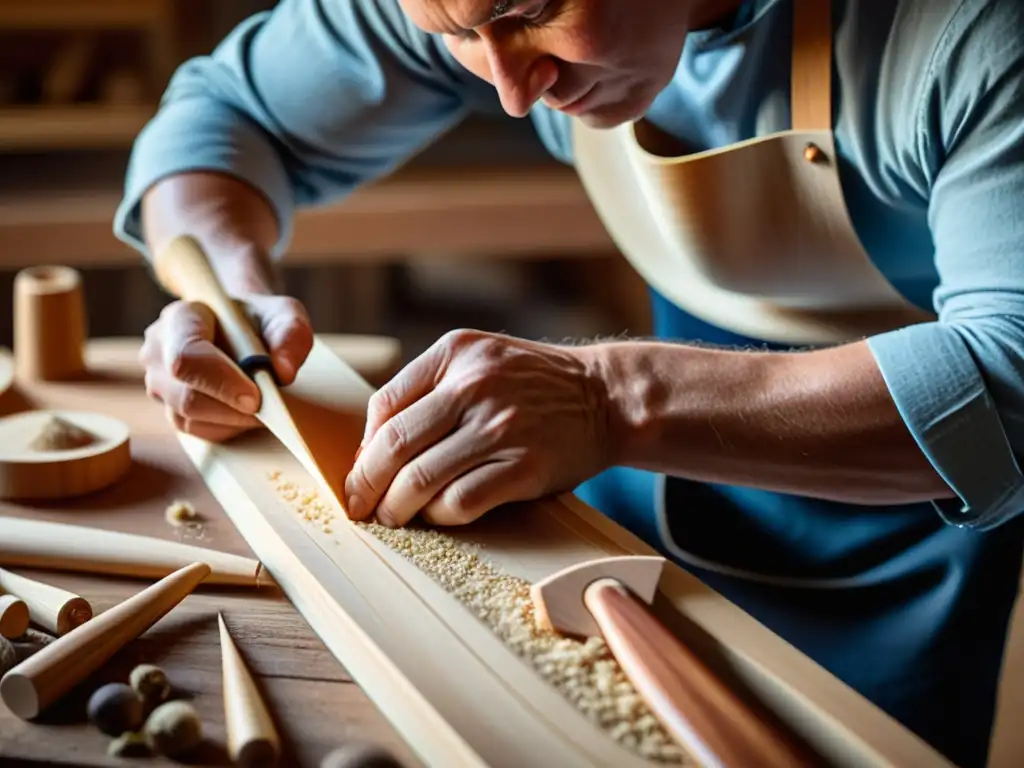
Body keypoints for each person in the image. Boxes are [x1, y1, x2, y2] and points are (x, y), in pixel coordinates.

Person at [118, 0, 1024, 765]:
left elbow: (1007, 386)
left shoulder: (975, 39)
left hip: (905, 532)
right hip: (633, 498)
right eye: (455, 38)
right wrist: (230, 300)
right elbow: (221, 117)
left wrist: (611, 398)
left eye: (534, 13)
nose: (512, 92)